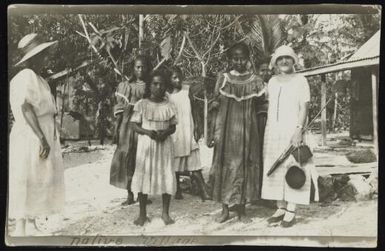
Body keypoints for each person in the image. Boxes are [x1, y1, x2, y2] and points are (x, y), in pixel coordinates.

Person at [9, 33, 65, 236]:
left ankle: (31, 223)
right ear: (33, 58)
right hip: (31, 134)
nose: (47, 58)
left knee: (38, 177)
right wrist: (41, 138)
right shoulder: (25, 77)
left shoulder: (39, 79)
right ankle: (21, 226)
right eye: (43, 55)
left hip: (41, 131)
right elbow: (26, 108)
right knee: (27, 175)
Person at [261, 45, 319, 228]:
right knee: (275, 168)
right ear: (275, 63)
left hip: (293, 130)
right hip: (273, 131)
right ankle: (280, 207)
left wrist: (298, 130)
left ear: (294, 60)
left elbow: (304, 108)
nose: (284, 61)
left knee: (294, 169)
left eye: (287, 58)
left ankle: (291, 210)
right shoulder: (272, 82)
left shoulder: (301, 80)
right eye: (280, 59)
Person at [208, 42, 265, 223]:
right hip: (226, 133)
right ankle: (225, 209)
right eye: (235, 58)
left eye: (242, 58)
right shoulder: (223, 79)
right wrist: (212, 132)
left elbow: (261, 106)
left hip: (248, 133)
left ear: (248, 59)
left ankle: (241, 211)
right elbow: (214, 106)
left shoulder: (255, 81)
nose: (239, 62)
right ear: (230, 59)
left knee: (244, 168)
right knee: (225, 167)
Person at [130, 71, 177, 226]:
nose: (159, 87)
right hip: (147, 146)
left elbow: (173, 127)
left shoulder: (170, 105)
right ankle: (142, 214)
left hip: (164, 146)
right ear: (149, 86)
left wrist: (166, 133)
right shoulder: (141, 105)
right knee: (144, 176)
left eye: (162, 84)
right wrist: (147, 132)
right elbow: (135, 125)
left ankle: (165, 213)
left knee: (166, 175)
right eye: (155, 84)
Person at [109, 55, 152, 205]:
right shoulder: (126, 86)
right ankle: (130, 194)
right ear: (133, 69)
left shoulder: (150, 86)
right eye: (137, 67)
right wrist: (116, 129)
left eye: (143, 67)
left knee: (143, 157)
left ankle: (142, 194)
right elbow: (120, 110)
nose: (140, 70)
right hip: (128, 126)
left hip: (144, 125)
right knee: (127, 156)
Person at [167, 66, 211, 201]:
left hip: (188, 130)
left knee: (195, 163)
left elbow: (194, 109)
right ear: (169, 80)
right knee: (175, 163)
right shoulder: (167, 95)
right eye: (174, 77)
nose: (178, 80)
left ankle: (204, 191)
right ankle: (178, 190)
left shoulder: (187, 91)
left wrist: (197, 126)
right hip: (175, 133)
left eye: (180, 76)